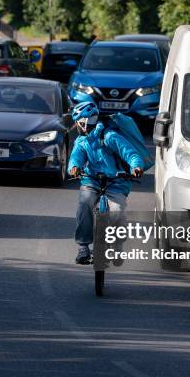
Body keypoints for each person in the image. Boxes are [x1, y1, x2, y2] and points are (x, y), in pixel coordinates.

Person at [68, 101, 144, 264]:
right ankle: (83, 247)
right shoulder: (82, 141)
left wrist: (136, 167)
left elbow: (131, 154)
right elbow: (76, 157)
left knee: (117, 210)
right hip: (91, 180)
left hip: (116, 181)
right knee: (85, 204)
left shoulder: (110, 137)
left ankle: (117, 245)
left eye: (78, 122)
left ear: (84, 122)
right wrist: (74, 167)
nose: (77, 126)